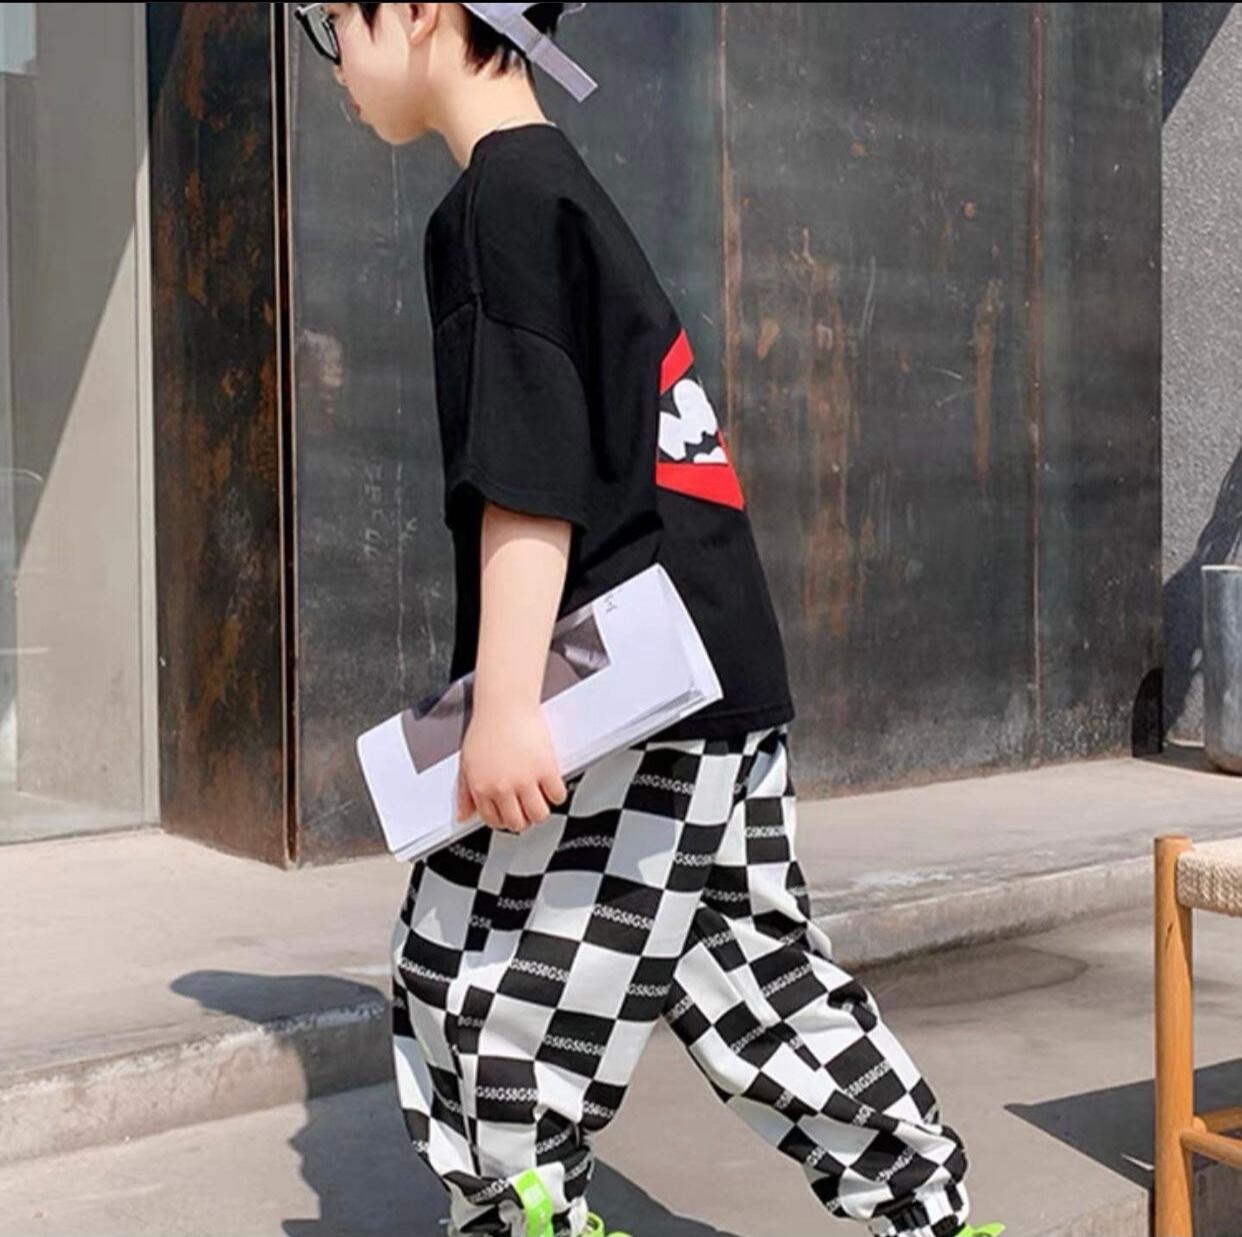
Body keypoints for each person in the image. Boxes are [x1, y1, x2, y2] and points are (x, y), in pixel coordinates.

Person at [293, 5, 1004, 1237]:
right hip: (713, 665)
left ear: (416, 11)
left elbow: (530, 472)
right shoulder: (561, 188)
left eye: (326, 21)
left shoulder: (495, 205)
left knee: (465, 968)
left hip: (615, 691)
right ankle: (925, 1212)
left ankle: (523, 1218)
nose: (332, 60)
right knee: (756, 977)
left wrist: (503, 705)